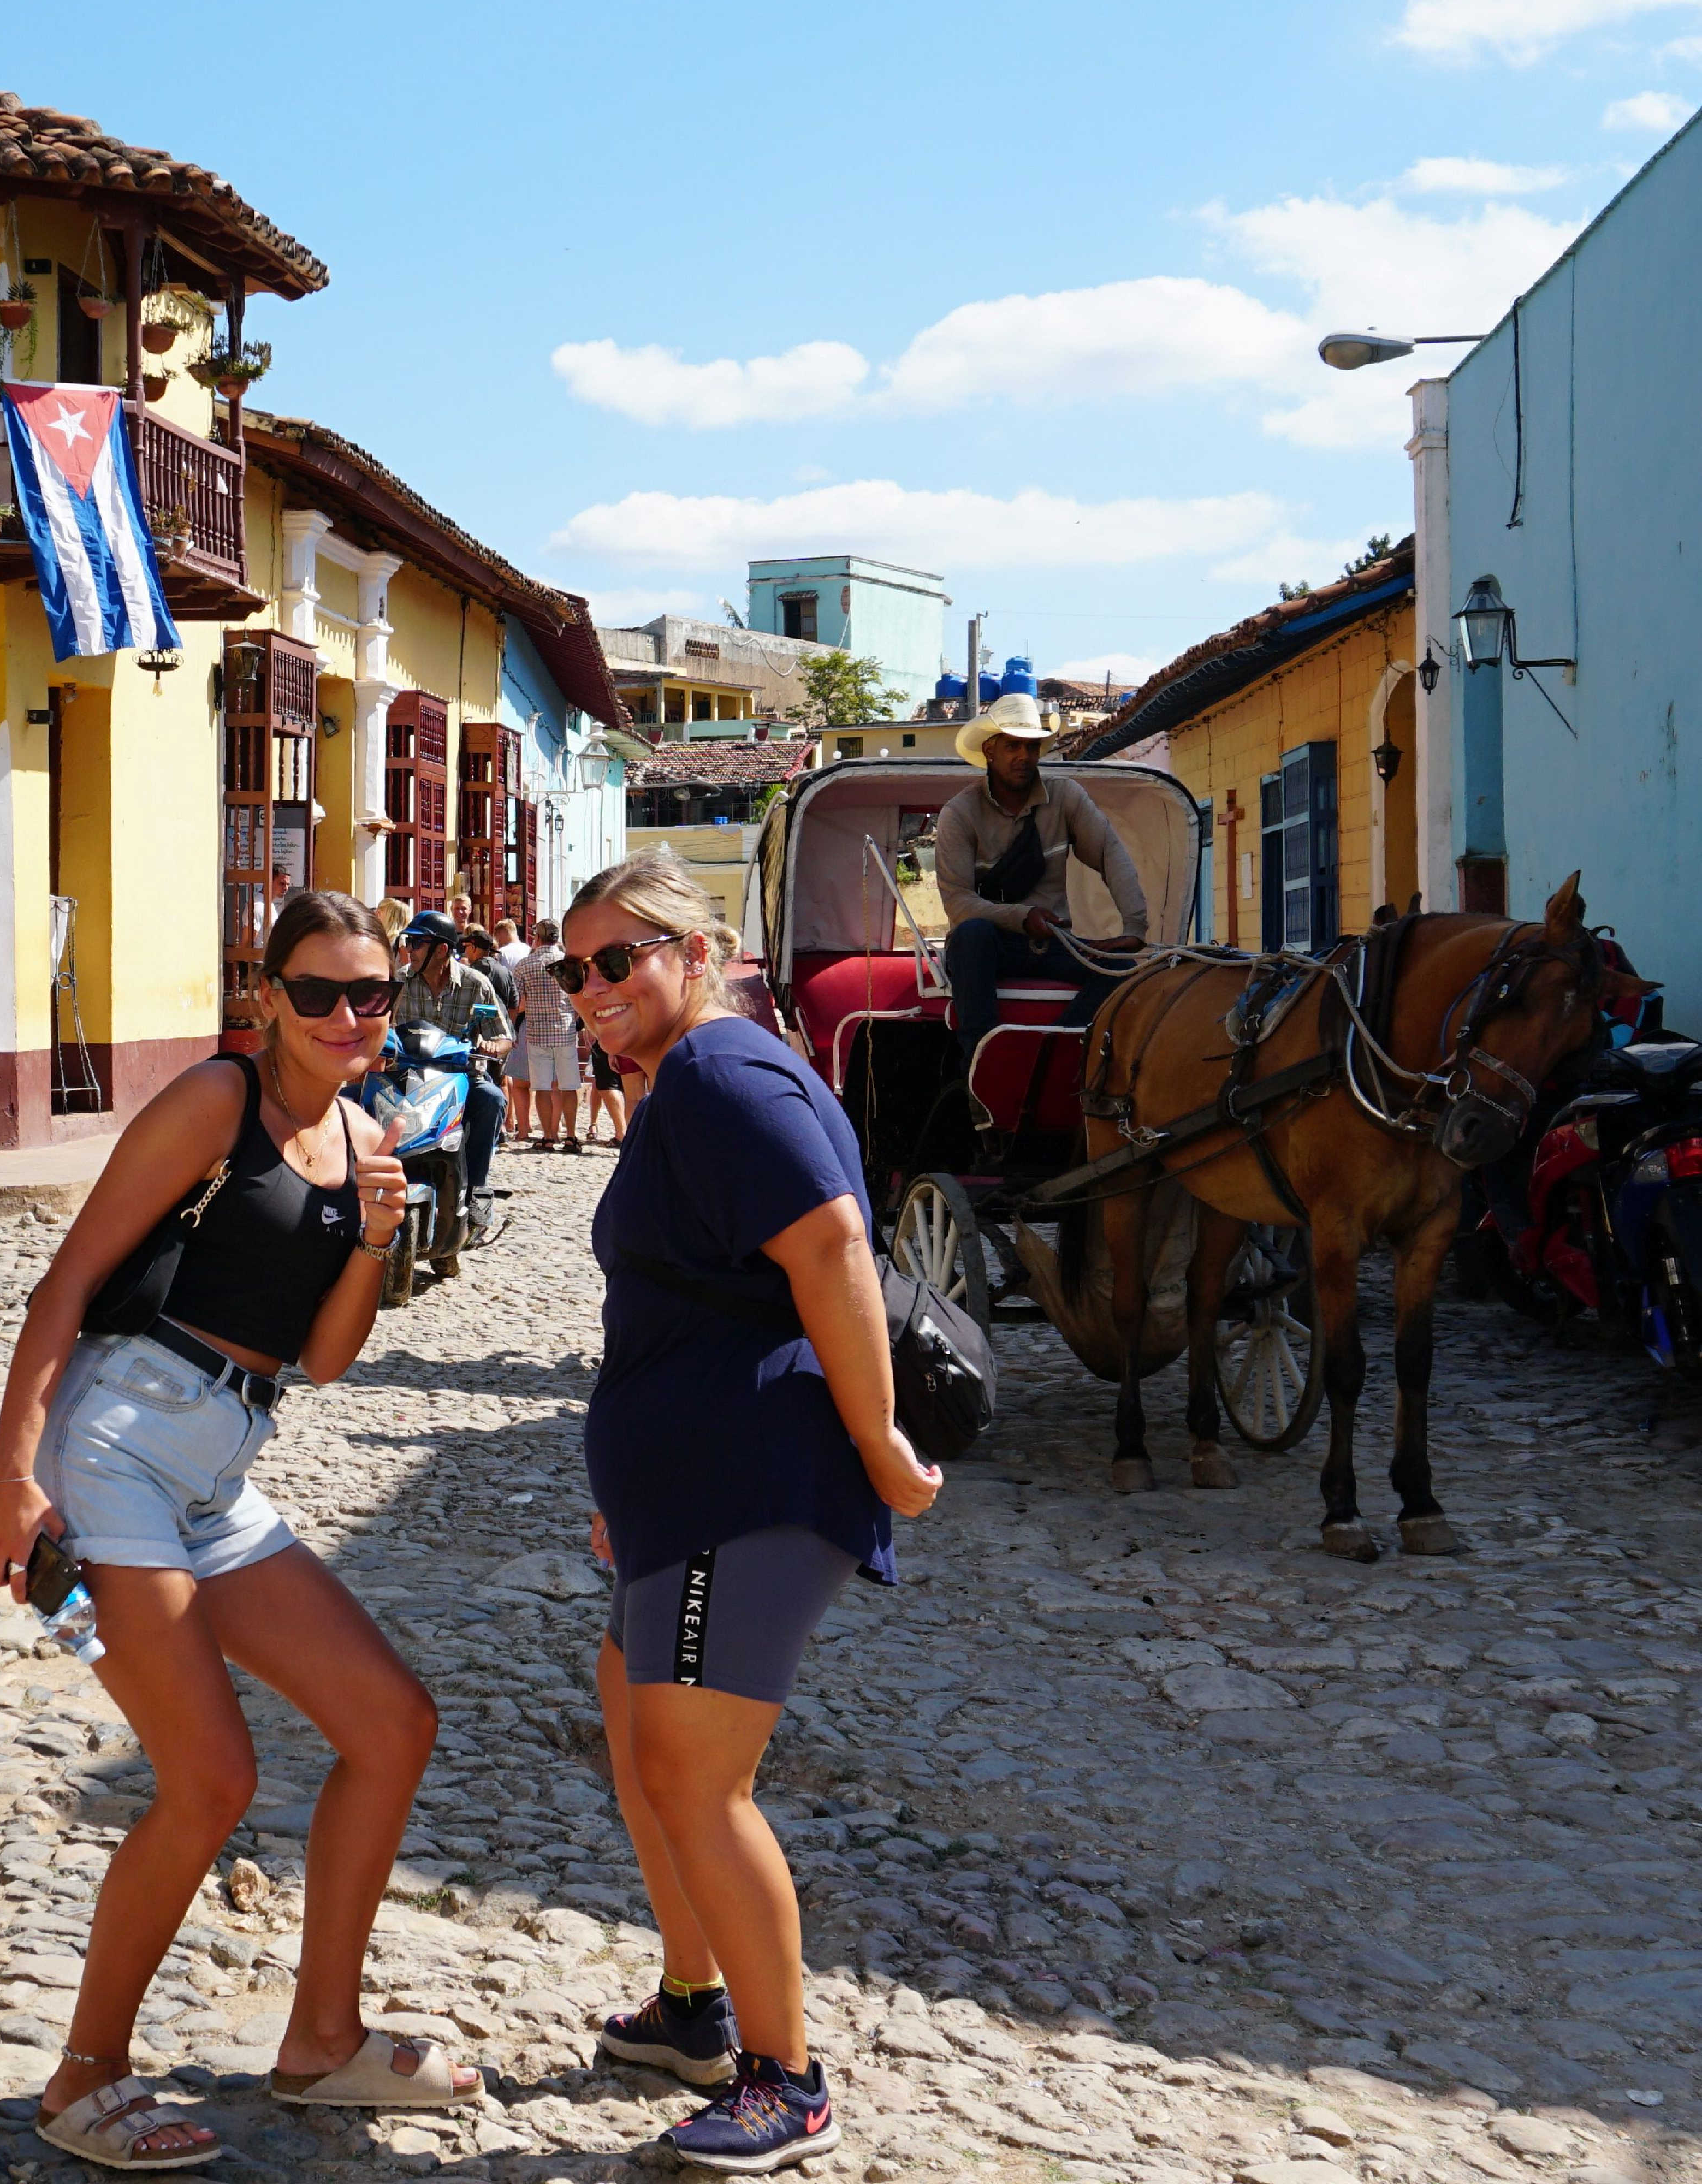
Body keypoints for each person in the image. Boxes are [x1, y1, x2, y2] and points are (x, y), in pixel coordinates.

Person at [0, 890, 480, 2171]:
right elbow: (68, 1278)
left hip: (219, 1467)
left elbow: (330, 1357)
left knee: (391, 1721)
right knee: (211, 1779)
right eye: (320, 993)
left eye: (373, 994)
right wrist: (8, 1480)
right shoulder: (217, 1099)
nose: (351, 1017)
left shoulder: (364, 1135)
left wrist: (376, 1233)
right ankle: (85, 2076)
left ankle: (319, 2039)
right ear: (268, 995)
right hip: (115, 1452)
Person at [558, 849, 944, 2175]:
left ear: (695, 948)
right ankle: (692, 2011)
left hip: (753, 1481)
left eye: (620, 958)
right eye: (575, 968)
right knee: (636, 1726)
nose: (593, 986)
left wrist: (883, 1440)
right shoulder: (681, 1087)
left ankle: (787, 2078)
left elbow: (834, 1240)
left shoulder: (723, 1073)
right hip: (683, 1485)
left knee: (696, 1774)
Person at [933, 691, 1148, 1060]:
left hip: (1052, 943)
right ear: (990, 750)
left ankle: (1055, 1056)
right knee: (972, 936)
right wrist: (1023, 918)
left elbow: (1110, 853)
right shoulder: (959, 813)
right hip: (990, 946)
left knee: (1123, 971)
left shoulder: (1066, 797)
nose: (1024, 757)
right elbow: (958, 902)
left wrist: (1134, 928)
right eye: (1013, 746)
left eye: (1031, 748)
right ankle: (982, 1064)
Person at [392, 910, 511, 1226]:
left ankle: (476, 1189)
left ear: (441, 950)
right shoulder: (400, 981)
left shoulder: (476, 984)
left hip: (461, 1077)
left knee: (493, 1100)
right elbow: (377, 1023)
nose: (410, 950)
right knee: (352, 1098)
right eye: (408, 942)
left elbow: (503, 1036)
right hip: (407, 1077)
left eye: (417, 943)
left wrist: (491, 1045)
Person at [515, 918, 580, 1153]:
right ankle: (571, 1136)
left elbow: (518, 1001)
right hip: (564, 1031)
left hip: (537, 1032)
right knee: (569, 1085)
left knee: (542, 1087)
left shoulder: (525, 965)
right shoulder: (567, 963)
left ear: (537, 938)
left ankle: (548, 1136)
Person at [583, 1031, 630, 1145]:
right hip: (635, 1035)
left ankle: (622, 1133)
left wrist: (590, 1028)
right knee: (632, 1088)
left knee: (608, 1085)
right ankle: (633, 1133)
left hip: (610, 1035)